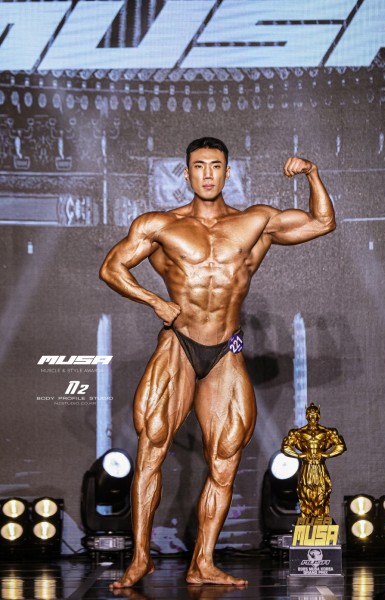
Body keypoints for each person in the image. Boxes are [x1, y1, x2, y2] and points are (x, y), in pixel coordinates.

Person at [99, 137, 336, 588]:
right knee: (152, 449)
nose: (207, 173)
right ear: (186, 173)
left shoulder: (256, 222)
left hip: (226, 349)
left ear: (228, 172)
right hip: (179, 343)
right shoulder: (160, 224)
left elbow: (323, 222)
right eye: (198, 166)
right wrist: (154, 301)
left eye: (215, 166)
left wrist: (312, 173)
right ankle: (140, 559)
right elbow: (112, 268)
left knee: (225, 460)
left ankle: (202, 563)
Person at [281, 403, 346, 517]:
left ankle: (321, 516)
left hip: (320, 466)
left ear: (318, 415)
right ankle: (307, 516)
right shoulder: (298, 433)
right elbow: (285, 447)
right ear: (306, 415)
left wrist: (326, 454)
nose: (312, 416)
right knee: (305, 492)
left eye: (315, 413)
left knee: (323, 491)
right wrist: (300, 455)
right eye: (310, 413)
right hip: (307, 466)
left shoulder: (327, 432)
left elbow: (341, 446)